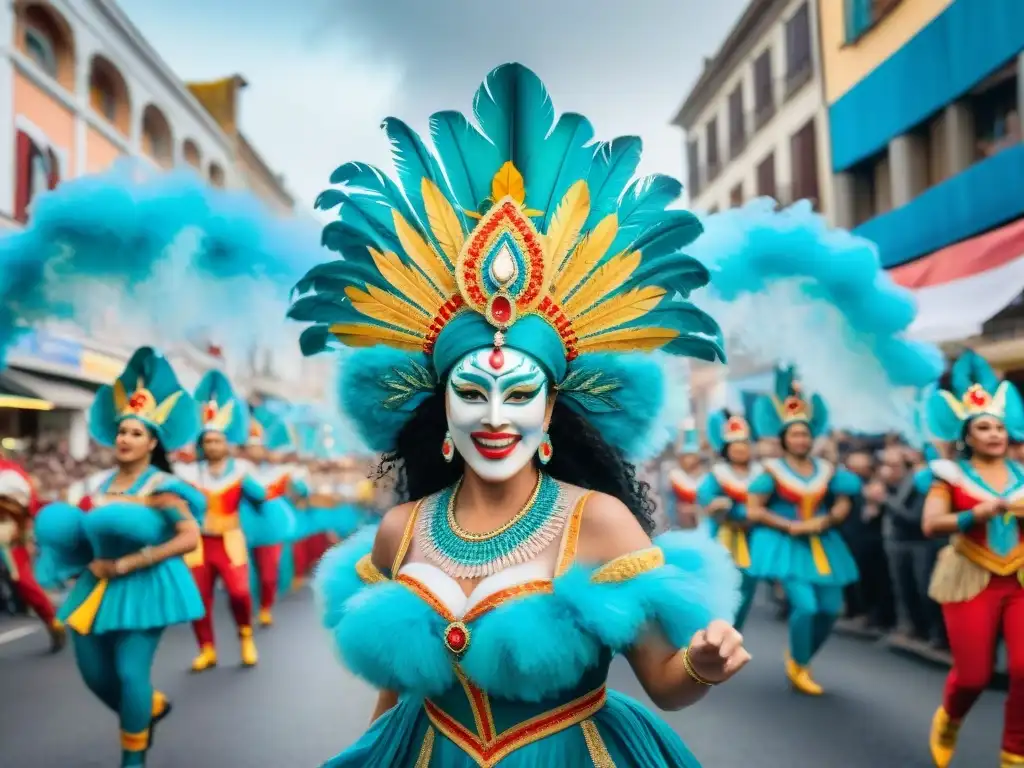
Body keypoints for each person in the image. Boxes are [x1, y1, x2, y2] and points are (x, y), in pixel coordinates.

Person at [290, 62, 749, 767]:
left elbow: (664, 683)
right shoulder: (399, 530)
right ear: (440, 413)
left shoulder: (597, 521)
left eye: (519, 394)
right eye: (471, 394)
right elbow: (395, 690)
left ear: (551, 412)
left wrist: (702, 667)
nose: (495, 415)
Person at [33, 347, 206, 767]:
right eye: (122, 431)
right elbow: (74, 530)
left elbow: (189, 538)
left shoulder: (161, 486)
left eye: (136, 433)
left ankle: (133, 758)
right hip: (95, 589)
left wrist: (129, 563)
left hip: (146, 587)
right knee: (97, 678)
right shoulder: (92, 483)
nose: (125, 439)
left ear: (152, 442)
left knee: (131, 676)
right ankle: (149, 707)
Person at [921, 351, 1024, 768]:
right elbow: (932, 524)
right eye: (984, 426)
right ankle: (949, 718)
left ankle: (1015, 753)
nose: (995, 433)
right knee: (974, 676)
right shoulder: (952, 475)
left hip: (1018, 579)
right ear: (968, 434)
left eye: (999, 426)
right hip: (969, 577)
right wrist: (973, 515)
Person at [746, 366, 861, 696]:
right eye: (795, 434)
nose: (801, 439)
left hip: (823, 543)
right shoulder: (771, 470)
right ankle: (799, 665)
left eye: (806, 434)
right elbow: (755, 509)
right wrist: (789, 525)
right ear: (784, 439)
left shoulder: (826, 468)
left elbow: (842, 502)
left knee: (830, 609)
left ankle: (802, 655)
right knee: (806, 606)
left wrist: (824, 521)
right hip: (785, 544)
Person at [176, 370, 265, 671]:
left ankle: (245, 636)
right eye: (208, 441)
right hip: (198, 543)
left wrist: (254, 485)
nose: (213, 445)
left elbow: (261, 496)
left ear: (226, 443)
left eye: (217, 440)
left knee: (239, 593)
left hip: (230, 540)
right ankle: (207, 649)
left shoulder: (240, 470)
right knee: (198, 598)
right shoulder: (188, 474)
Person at [698, 408, 760, 630]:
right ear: (727, 449)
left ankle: (735, 633)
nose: (741, 448)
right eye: (736, 444)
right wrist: (722, 507)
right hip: (723, 535)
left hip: (754, 537)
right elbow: (706, 499)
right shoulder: (717, 474)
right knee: (721, 584)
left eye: (745, 443)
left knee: (747, 588)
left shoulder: (762, 474)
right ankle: (716, 631)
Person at [0, 457, 65, 650]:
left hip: (8, 532)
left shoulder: (10, 473)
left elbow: (22, 507)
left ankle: (53, 622)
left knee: (22, 579)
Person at [241, 407, 297, 627]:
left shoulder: (277, 472)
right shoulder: (238, 469)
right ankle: (252, 608)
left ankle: (265, 607)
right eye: (249, 448)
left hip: (271, 528)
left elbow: (295, 492)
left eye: (257, 448)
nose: (253, 452)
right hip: (244, 528)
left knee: (267, 574)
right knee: (247, 575)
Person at [840, 449, 896, 633]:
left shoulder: (878, 485)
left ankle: (877, 616)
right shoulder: (850, 487)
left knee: (876, 580)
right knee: (856, 578)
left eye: (861, 467)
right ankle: (856, 609)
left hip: (875, 541)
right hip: (853, 537)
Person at [667, 423, 704, 529]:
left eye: (692, 456)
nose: (689, 460)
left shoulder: (705, 476)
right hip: (678, 522)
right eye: (686, 456)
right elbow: (689, 492)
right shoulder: (675, 475)